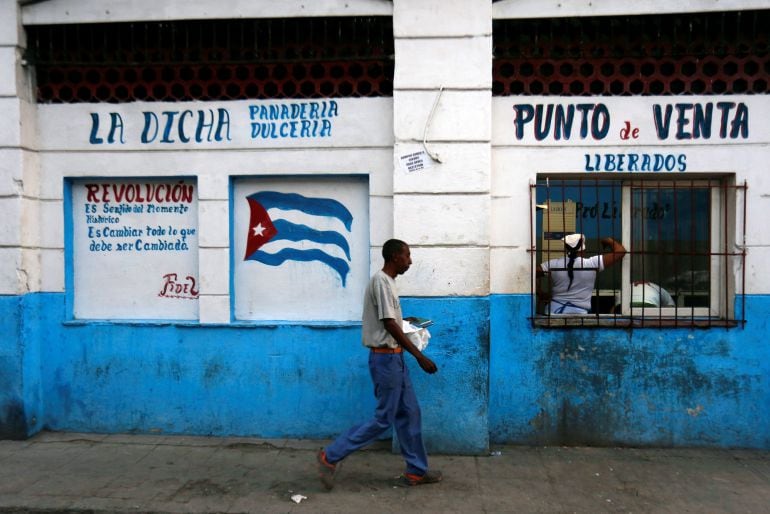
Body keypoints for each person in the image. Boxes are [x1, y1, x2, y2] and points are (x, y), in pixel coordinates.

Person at [317, 239, 442, 489]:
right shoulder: (382, 281)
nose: (410, 261)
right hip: (386, 360)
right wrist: (419, 356)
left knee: (410, 412)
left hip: (395, 358)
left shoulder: (388, 283)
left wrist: (406, 320)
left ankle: (416, 471)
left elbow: (390, 319)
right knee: (384, 418)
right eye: (407, 255)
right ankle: (329, 456)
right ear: (395, 257)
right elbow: (388, 324)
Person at [537, 233, 626, 315]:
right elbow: (621, 251)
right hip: (579, 314)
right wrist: (609, 240)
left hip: (553, 312)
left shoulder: (553, 264)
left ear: (566, 249)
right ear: (583, 250)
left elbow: (530, 274)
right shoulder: (592, 264)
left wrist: (540, 293)